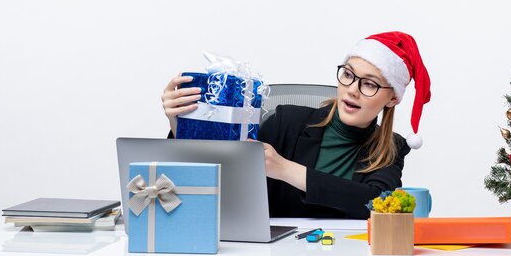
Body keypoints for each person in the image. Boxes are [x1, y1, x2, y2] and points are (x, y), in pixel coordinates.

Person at [161, 31, 431, 219]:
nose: (352, 90)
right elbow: (219, 177)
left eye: (369, 84)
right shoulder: (286, 122)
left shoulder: (392, 148)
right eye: (348, 75)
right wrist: (180, 126)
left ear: (392, 98)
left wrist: (285, 169)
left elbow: (375, 205)